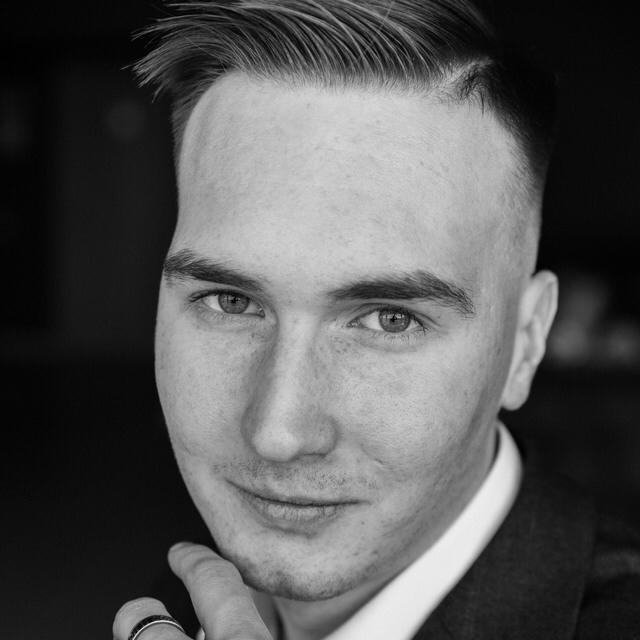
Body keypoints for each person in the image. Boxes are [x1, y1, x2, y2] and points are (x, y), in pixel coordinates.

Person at [113, 1, 640, 639]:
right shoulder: (189, 601)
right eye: (231, 302)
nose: (278, 434)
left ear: (526, 342)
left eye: (391, 320)